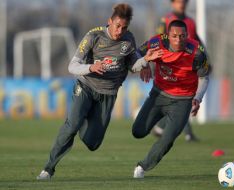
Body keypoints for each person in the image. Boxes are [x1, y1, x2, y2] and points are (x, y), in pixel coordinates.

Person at [36, 3, 163, 180]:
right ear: (109, 21)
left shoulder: (128, 39)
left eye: (124, 27)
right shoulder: (93, 36)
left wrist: (145, 60)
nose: (120, 31)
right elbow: (72, 66)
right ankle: (48, 169)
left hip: (108, 94)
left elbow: (133, 66)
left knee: (93, 143)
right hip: (86, 86)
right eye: (117, 26)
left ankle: (81, 120)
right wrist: (91, 67)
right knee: (71, 126)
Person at [132, 20, 210, 178]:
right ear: (168, 35)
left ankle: (142, 167)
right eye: (174, 36)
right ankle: (158, 125)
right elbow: (136, 54)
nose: (178, 40)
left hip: (183, 100)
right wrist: (145, 63)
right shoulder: (156, 42)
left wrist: (198, 98)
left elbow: (204, 77)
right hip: (158, 95)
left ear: (187, 36)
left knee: (168, 139)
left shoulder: (197, 52)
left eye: (182, 36)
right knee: (137, 132)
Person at [150, 0, 205, 142]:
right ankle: (183, 132)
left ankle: (163, 126)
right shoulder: (166, 20)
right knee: (180, 99)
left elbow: (198, 43)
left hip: (189, 65)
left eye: (184, 2)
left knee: (185, 99)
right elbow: (158, 40)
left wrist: (206, 60)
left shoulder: (190, 22)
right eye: (178, 2)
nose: (182, 4)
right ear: (172, 3)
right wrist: (154, 63)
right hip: (171, 66)